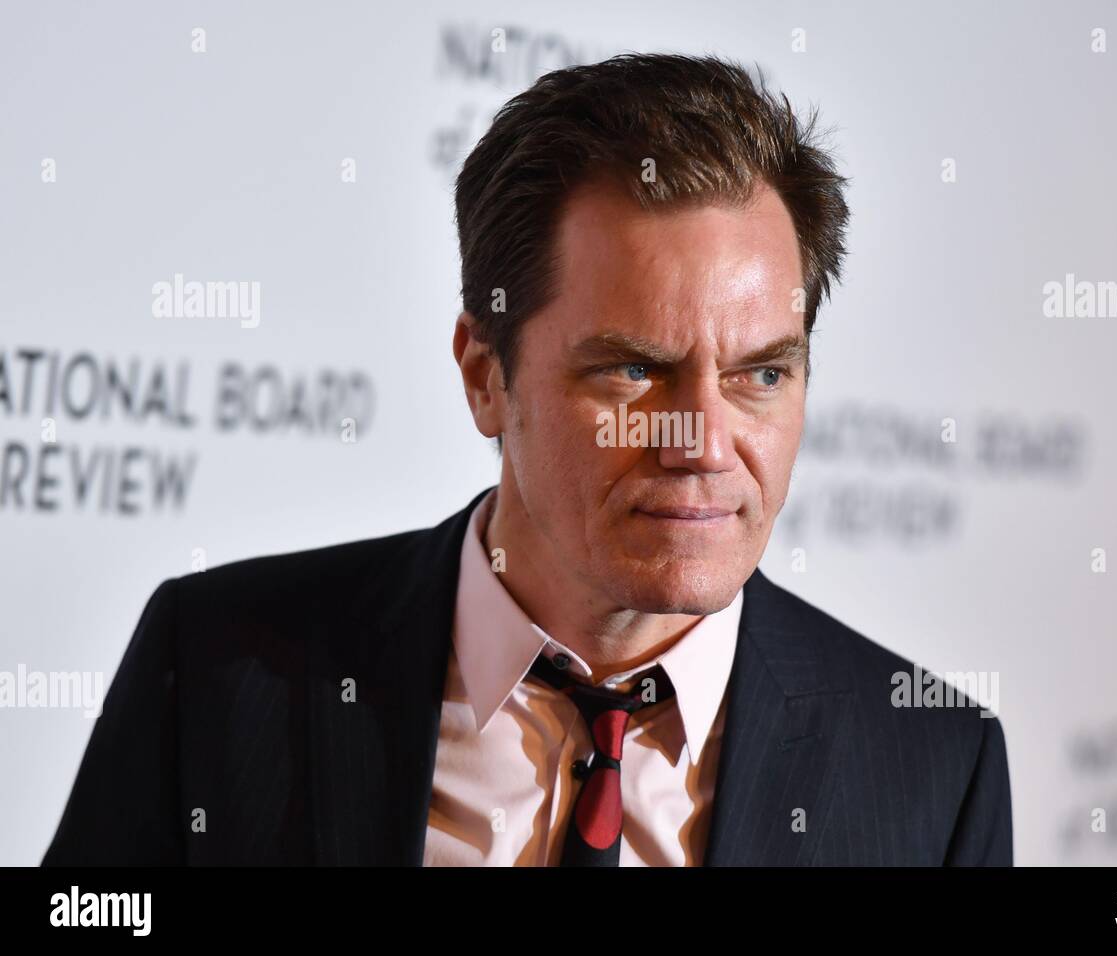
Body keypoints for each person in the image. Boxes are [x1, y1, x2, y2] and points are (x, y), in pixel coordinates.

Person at [43, 52, 1011, 866]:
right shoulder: (221, 663)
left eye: (763, 374)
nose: (705, 443)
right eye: (633, 370)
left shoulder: (929, 762)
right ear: (485, 376)